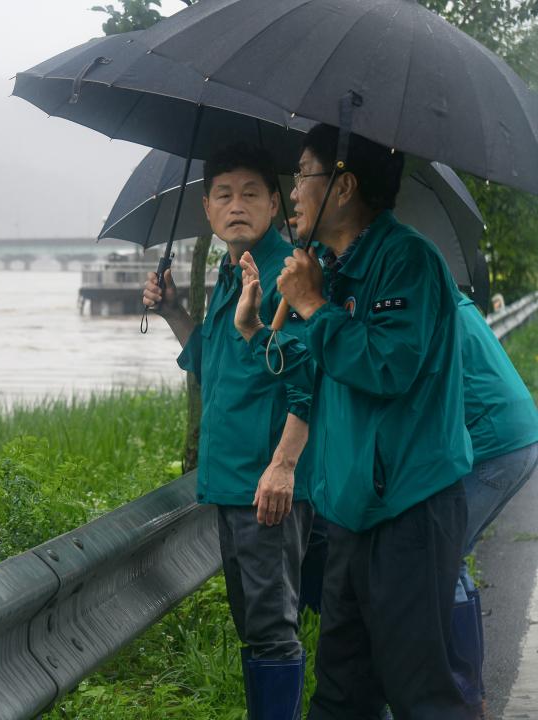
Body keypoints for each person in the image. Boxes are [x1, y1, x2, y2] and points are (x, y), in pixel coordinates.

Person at [234, 124, 477, 719]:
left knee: (419, 690)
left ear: (341, 186)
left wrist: (315, 305)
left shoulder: (406, 260)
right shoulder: (332, 268)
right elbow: (318, 369)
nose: (292, 193)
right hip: (349, 510)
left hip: (408, 509)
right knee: (342, 693)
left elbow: (387, 365)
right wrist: (258, 326)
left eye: (302, 175)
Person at [142, 142, 312, 719]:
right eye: (222, 195)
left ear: (274, 205)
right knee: (255, 626)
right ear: (208, 213)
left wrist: (283, 466)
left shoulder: (287, 274)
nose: (235, 205)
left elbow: (308, 376)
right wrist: (171, 310)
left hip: (266, 487)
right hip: (230, 484)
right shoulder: (231, 270)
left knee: (271, 627)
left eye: (249, 193)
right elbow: (213, 361)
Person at [446, 285, 538, 709]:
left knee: (440, 562)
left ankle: (464, 697)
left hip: (494, 443)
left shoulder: (425, 298)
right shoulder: (448, 292)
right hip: (516, 435)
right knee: (452, 556)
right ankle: (470, 696)